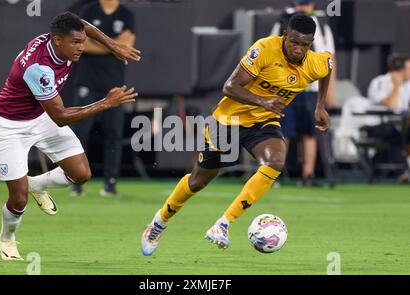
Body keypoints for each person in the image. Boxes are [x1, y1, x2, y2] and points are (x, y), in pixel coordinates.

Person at [140, 14, 333, 256]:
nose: (298, 49)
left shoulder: (315, 62)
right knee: (198, 181)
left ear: (312, 43)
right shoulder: (264, 49)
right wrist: (264, 100)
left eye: (305, 45)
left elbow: (328, 67)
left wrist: (320, 106)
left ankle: (223, 224)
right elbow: (230, 87)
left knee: (275, 161)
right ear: (285, 35)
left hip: (263, 121)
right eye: (294, 42)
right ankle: (158, 223)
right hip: (228, 121)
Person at [0, 12, 140, 261]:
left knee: (81, 174)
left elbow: (83, 25)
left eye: (82, 42)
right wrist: (105, 103)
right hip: (11, 125)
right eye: (76, 43)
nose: (82, 47)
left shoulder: (60, 39)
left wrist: (113, 46)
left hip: (40, 116)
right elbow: (60, 116)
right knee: (18, 199)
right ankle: (7, 239)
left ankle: (35, 185)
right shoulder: (39, 68)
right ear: (58, 41)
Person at [71, 0, 136, 197]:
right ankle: (76, 181)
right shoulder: (88, 11)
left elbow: (128, 44)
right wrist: (115, 46)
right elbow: (82, 44)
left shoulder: (126, 14)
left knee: (113, 135)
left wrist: (99, 43)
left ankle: (110, 183)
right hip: (88, 82)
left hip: (114, 84)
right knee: (80, 135)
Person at [271, 0, 335, 186]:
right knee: (283, 130)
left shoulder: (321, 25)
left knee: (310, 131)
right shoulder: (282, 22)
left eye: (306, 3)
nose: (303, 6)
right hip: (285, 87)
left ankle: (308, 174)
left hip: (312, 87)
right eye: (300, 3)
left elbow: (329, 59)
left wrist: (329, 91)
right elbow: (271, 53)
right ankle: (275, 173)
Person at [367, 53, 410, 183]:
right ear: (400, 69)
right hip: (377, 124)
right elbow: (391, 105)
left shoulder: (408, 85)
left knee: (401, 131)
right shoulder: (379, 82)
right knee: (394, 132)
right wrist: (396, 86)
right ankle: (401, 173)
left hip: (400, 124)